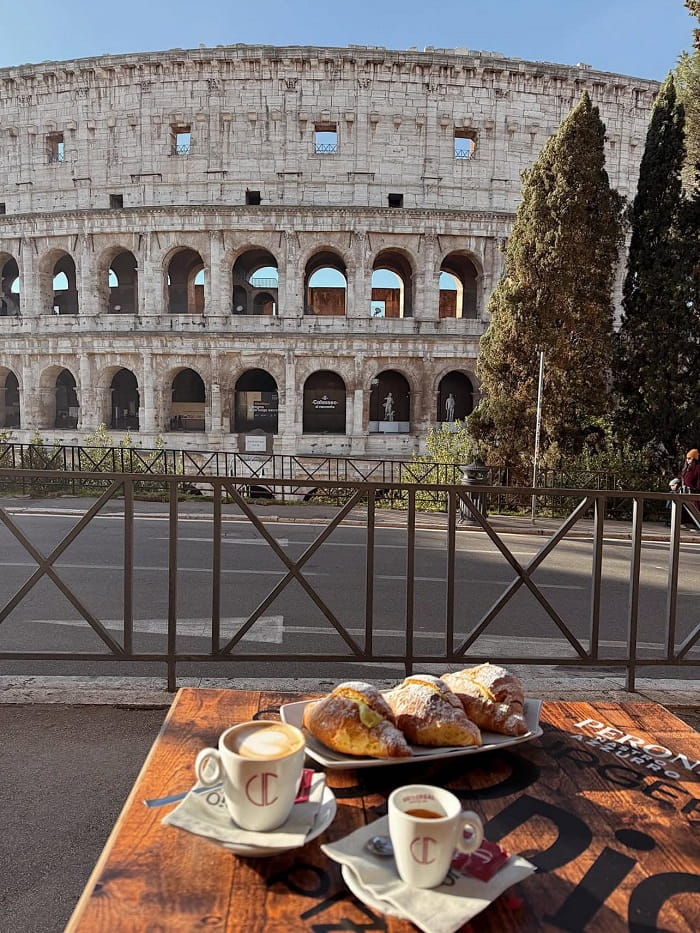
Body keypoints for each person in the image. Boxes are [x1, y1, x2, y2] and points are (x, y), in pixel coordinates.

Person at [669, 449, 700, 528]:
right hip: (684, 492)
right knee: (672, 495)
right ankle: (675, 519)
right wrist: (675, 485)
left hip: (693, 494)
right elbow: (682, 480)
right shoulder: (686, 470)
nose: (688, 460)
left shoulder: (698, 469)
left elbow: (698, 485)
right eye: (687, 458)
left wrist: (692, 489)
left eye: (690, 458)